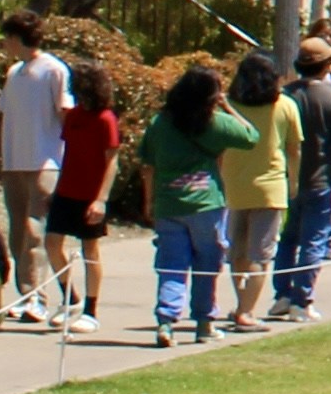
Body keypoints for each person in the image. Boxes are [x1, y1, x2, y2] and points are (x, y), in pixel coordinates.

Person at [144, 58, 250, 342]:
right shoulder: (215, 123)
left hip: (169, 204)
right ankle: (204, 323)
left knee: (171, 265)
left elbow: (148, 164)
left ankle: (166, 321)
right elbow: (251, 137)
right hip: (207, 205)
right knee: (208, 264)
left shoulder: (160, 124)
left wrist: (149, 200)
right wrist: (229, 108)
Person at [0, 10, 77, 332]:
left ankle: (37, 297)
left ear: (16, 37)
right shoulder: (14, 73)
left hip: (45, 161)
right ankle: (25, 293)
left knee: (35, 230)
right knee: (17, 233)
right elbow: (3, 117)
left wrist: (73, 158)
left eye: (7, 38)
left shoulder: (53, 69)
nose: (5, 45)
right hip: (14, 162)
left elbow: (65, 114)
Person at [279, 38, 331, 320]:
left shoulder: (284, 96)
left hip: (287, 180)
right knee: (313, 240)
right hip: (320, 180)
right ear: (324, 66)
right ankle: (302, 299)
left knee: (288, 238)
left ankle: (283, 294)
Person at [217, 49, 291, 330]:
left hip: (234, 185)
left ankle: (241, 305)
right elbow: (293, 148)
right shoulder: (284, 105)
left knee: (238, 251)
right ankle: (247, 311)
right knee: (261, 254)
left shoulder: (230, 106)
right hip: (271, 187)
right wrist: (293, 181)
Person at [43, 69, 121, 314]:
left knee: (90, 250)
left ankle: (91, 309)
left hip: (91, 194)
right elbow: (68, 154)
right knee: (52, 244)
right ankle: (70, 297)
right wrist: (56, 190)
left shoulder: (106, 118)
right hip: (67, 190)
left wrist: (101, 199)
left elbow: (112, 160)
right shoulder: (74, 116)